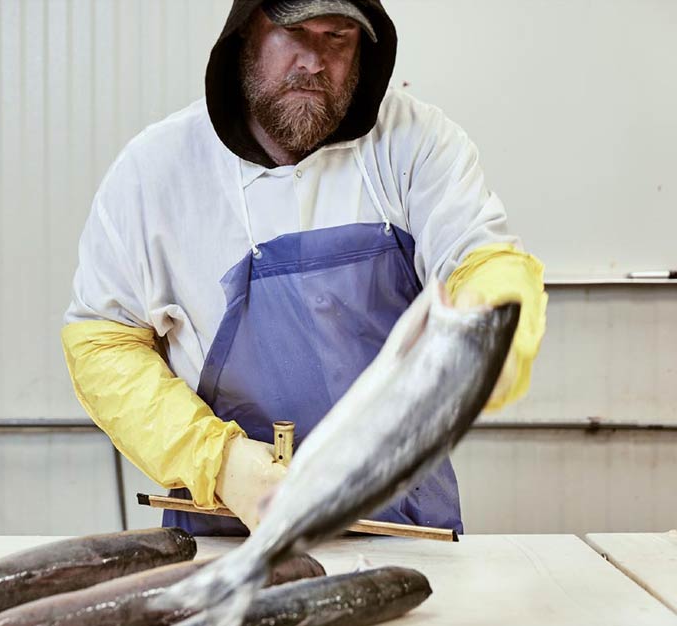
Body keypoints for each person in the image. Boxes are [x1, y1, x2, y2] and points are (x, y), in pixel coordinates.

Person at [62, 0, 547, 536]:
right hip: (228, 523)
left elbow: (481, 255)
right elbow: (103, 342)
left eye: (337, 38)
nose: (314, 61)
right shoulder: (155, 171)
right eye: (294, 33)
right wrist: (217, 461)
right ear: (246, 33)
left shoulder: (416, 144)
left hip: (401, 527)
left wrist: (495, 318)